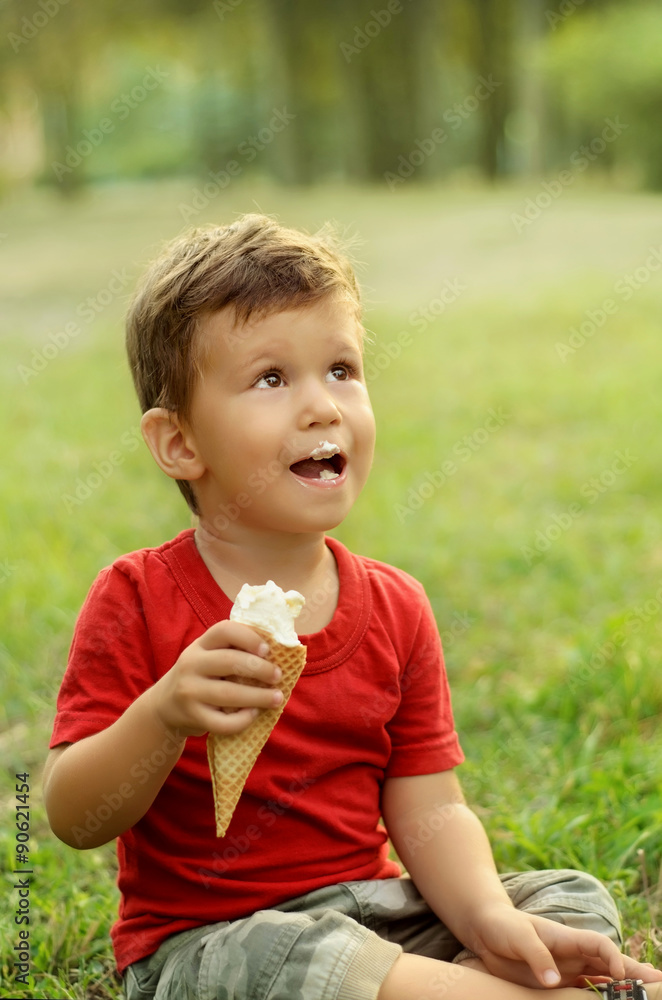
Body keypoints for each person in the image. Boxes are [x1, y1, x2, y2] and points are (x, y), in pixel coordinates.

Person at [43, 215, 662, 1000]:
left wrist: (485, 918)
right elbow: (72, 815)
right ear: (179, 443)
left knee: (566, 898)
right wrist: (163, 716)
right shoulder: (136, 597)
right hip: (214, 944)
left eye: (341, 369)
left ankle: (466, 979)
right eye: (272, 379)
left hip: (372, 919)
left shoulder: (395, 605)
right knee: (304, 958)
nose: (322, 407)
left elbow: (430, 807)